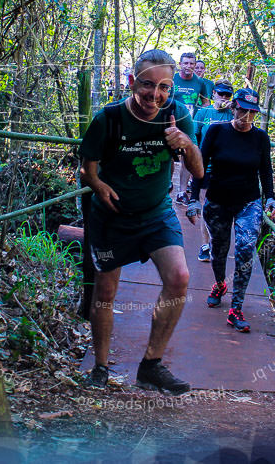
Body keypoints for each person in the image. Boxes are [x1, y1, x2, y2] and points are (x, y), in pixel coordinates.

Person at [79, 49, 204, 394]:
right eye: (148, 84)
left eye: (164, 86)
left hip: (156, 212)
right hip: (112, 216)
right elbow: (86, 170)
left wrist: (186, 144)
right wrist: (100, 186)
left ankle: (151, 365)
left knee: (179, 278)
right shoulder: (109, 119)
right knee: (106, 291)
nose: (155, 94)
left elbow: (198, 171)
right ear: (133, 81)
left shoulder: (177, 115)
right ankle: (101, 366)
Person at [185, 87, 275, 333]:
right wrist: (194, 198)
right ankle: (219, 284)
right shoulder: (217, 131)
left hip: (249, 202)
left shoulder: (260, 138)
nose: (246, 116)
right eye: (242, 110)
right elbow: (200, 166)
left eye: (252, 112)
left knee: (246, 249)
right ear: (233, 108)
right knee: (219, 249)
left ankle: (236, 308)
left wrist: (270, 198)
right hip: (217, 200)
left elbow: (265, 171)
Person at [189, 79, 235, 262]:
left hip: (228, 168)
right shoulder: (203, 113)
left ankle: (218, 242)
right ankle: (206, 245)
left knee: (223, 209)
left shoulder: (233, 114)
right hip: (206, 166)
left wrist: (234, 110)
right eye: (221, 94)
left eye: (227, 95)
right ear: (213, 93)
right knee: (207, 206)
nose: (223, 98)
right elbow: (194, 136)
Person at [172, 52, 209, 204]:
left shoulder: (199, 82)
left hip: (191, 123)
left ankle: (181, 192)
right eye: (186, 63)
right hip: (172, 121)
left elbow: (206, 102)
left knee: (187, 154)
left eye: (191, 63)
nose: (189, 66)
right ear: (180, 64)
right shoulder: (172, 79)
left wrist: (202, 117)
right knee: (168, 155)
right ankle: (166, 184)